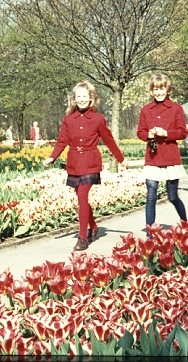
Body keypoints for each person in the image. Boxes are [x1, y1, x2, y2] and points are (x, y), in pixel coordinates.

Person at [44, 80, 128, 252]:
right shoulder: (68, 119)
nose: (81, 100)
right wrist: (52, 157)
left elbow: (109, 140)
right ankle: (94, 226)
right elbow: (62, 141)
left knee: (83, 195)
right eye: (78, 97)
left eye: (85, 97)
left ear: (91, 99)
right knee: (81, 199)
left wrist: (121, 159)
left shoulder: (98, 119)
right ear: (74, 99)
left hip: (91, 162)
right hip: (74, 162)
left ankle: (83, 237)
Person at [137, 73, 188, 231]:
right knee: (151, 195)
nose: (159, 92)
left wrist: (166, 133)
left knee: (172, 197)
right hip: (152, 158)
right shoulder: (146, 110)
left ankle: (186, 224)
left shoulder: (176, 109)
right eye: (155, 89)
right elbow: (140, 132)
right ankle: (150, 233)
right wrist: (148, 135)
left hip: (170, 157)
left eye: (162, 89)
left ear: (168, 90)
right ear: (151, 91)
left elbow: (182, 132)